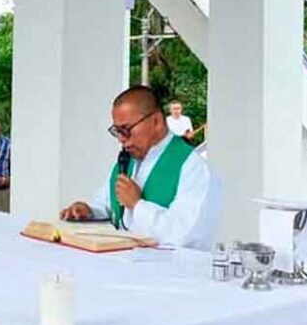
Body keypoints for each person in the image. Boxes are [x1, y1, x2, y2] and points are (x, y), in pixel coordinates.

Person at [60, 86, 220, 249]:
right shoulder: (126, 162)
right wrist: (89, 212)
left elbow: (186, 236)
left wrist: (137, 205)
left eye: (126, 129)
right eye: (117, 131)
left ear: (156, 121)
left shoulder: (193, 167)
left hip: (169, 270)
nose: (121, 139)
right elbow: (108, 207)